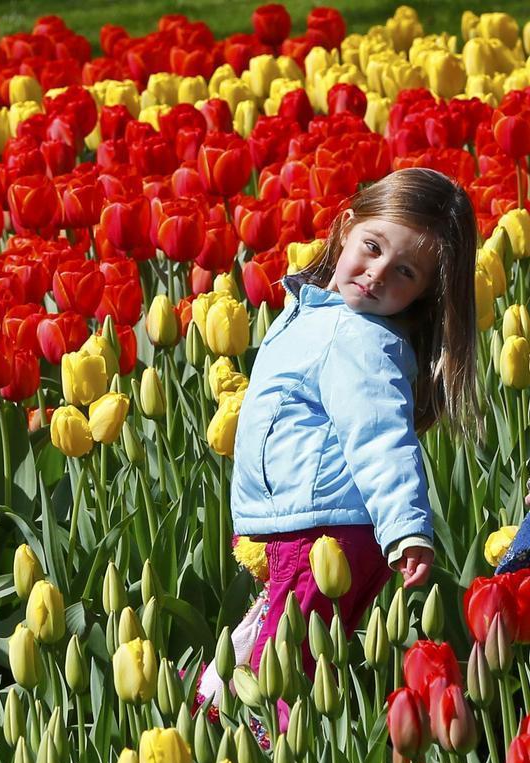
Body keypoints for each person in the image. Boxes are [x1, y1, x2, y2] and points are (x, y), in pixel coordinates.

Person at [200, 168, 484, 717]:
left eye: (403, 271)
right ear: (347, 227)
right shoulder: (313, 309)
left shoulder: (359, 338)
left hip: (325, 532)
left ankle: (269, 751)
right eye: (372, 247)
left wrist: (406, 530)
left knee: (283, 674)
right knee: (265, 650)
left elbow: (383, 440)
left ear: (425, 292)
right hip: (299, 528)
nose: (377, 273)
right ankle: (210, 723)